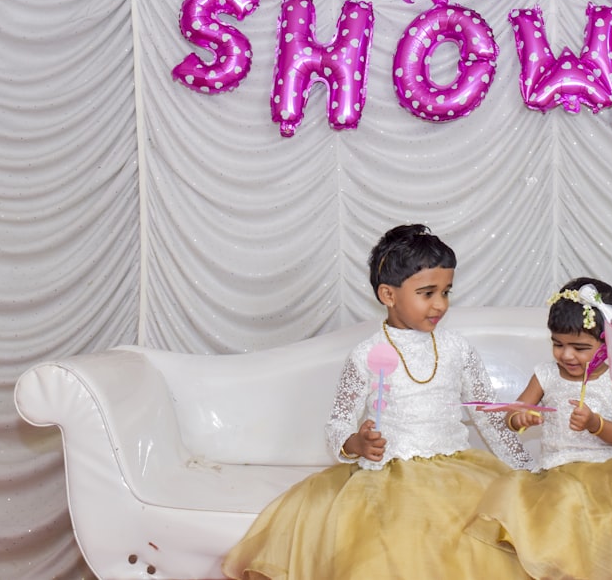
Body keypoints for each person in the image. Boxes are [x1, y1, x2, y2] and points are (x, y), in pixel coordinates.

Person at [222, 224, 533, 580]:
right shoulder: (366, 355)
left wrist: (529, 471)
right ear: (388, 294)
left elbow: (488, 415)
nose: (440, 304)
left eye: (446, 292)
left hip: (455, 469)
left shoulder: (457, 349)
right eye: (428, 293)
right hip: (388, 474)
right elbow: (338, 424)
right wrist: (355, 442)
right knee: (393, 544)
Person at [467, 277, 612, 580]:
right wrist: (521, 418)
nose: (567, 355)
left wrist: (596, 423)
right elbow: (512, 416)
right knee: (564, 505)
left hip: (610, 473)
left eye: (580, 348)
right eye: (558, 344)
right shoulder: (546, 374)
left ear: (608, 344)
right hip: (555, 474)